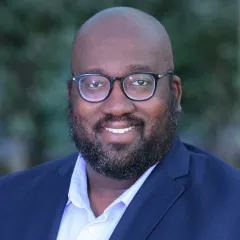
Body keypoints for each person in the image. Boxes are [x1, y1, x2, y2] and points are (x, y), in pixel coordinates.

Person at [0, 6, 240, 240]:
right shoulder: (8, 200)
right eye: (94, 84)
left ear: (174, 94)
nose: (117, 106)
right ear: (71, 96)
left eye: (140, 82)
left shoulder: (231, 209)